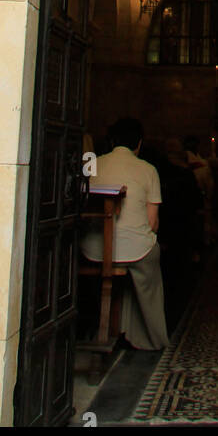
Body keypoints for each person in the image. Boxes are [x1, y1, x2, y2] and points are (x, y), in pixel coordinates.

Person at [80, 116, 169, 351]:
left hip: (93, 250)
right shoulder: (148, 169)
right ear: (139, 143)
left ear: (111, 141)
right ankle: (151, 338)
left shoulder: (93, 164)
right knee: (148, 265)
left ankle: (108, 328)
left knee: (128, 261)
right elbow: (152, 223)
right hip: (136, 249)